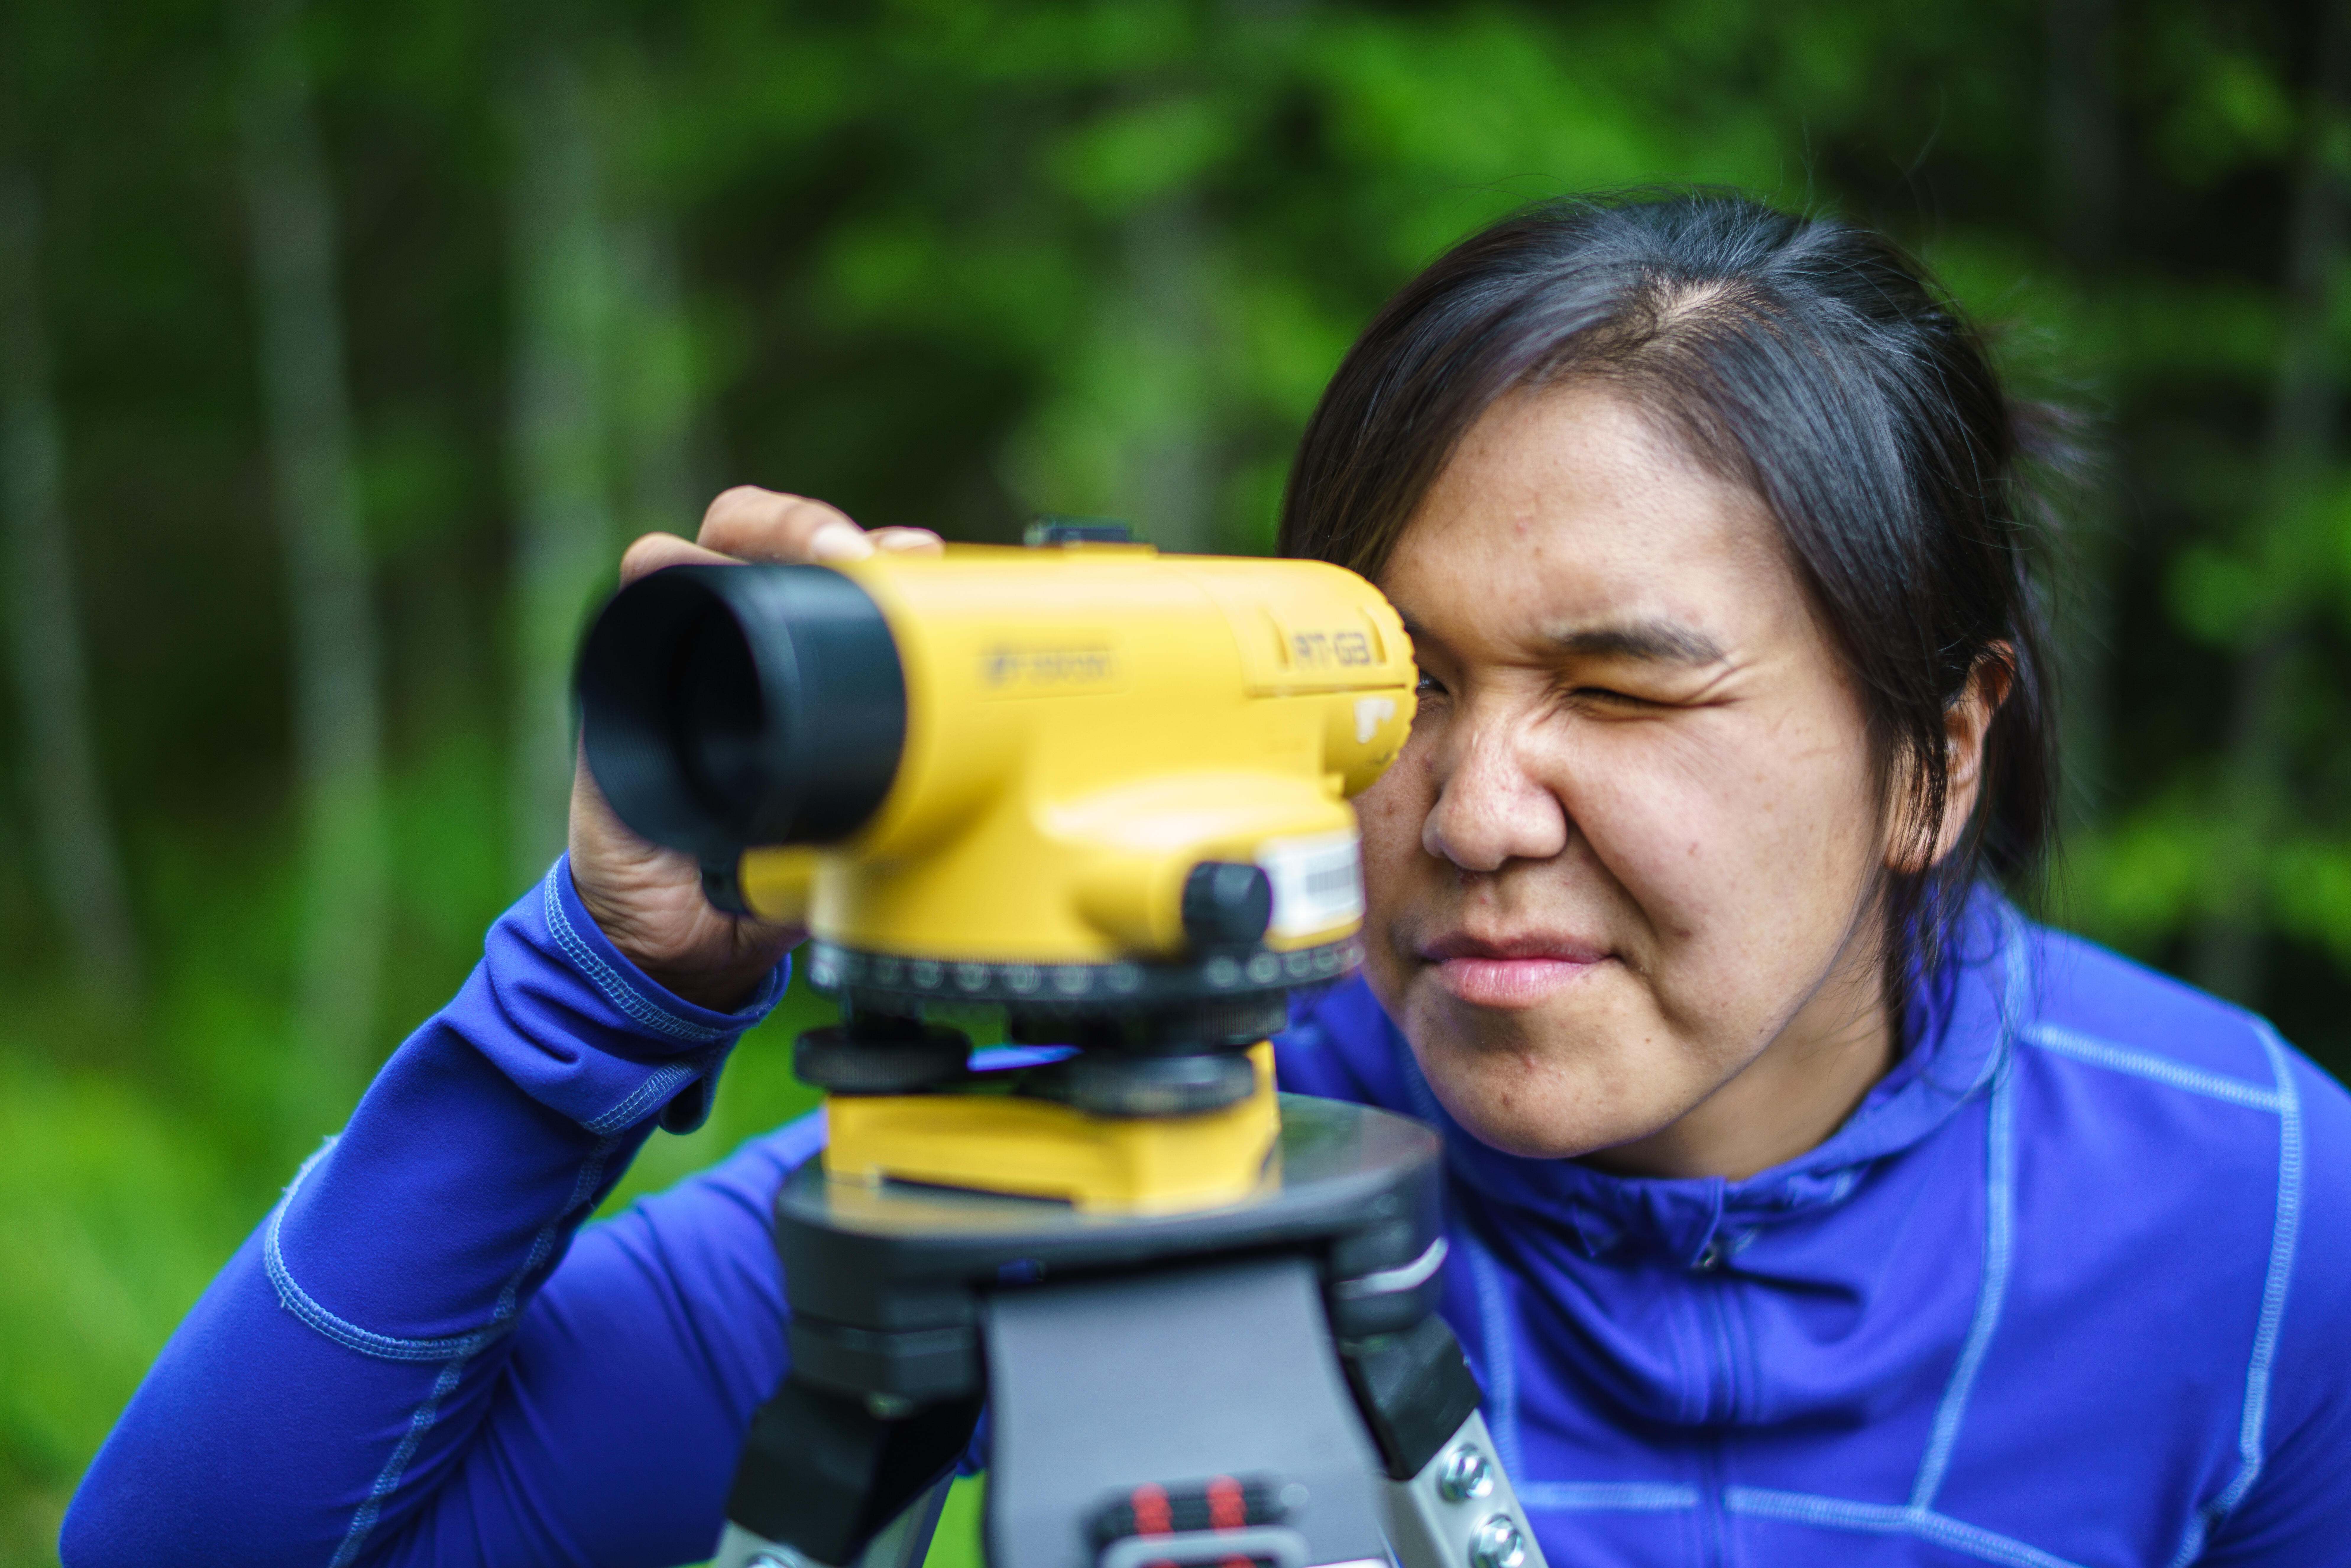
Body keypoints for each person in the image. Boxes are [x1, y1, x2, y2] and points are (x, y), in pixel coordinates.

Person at [63, 193, 2351, 1568]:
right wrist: (596, 995)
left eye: (1622, 696)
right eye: (1399, 680)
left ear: (1934, 758)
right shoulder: (1130, 1164)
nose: (1470, 813)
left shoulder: (2256, 1220)